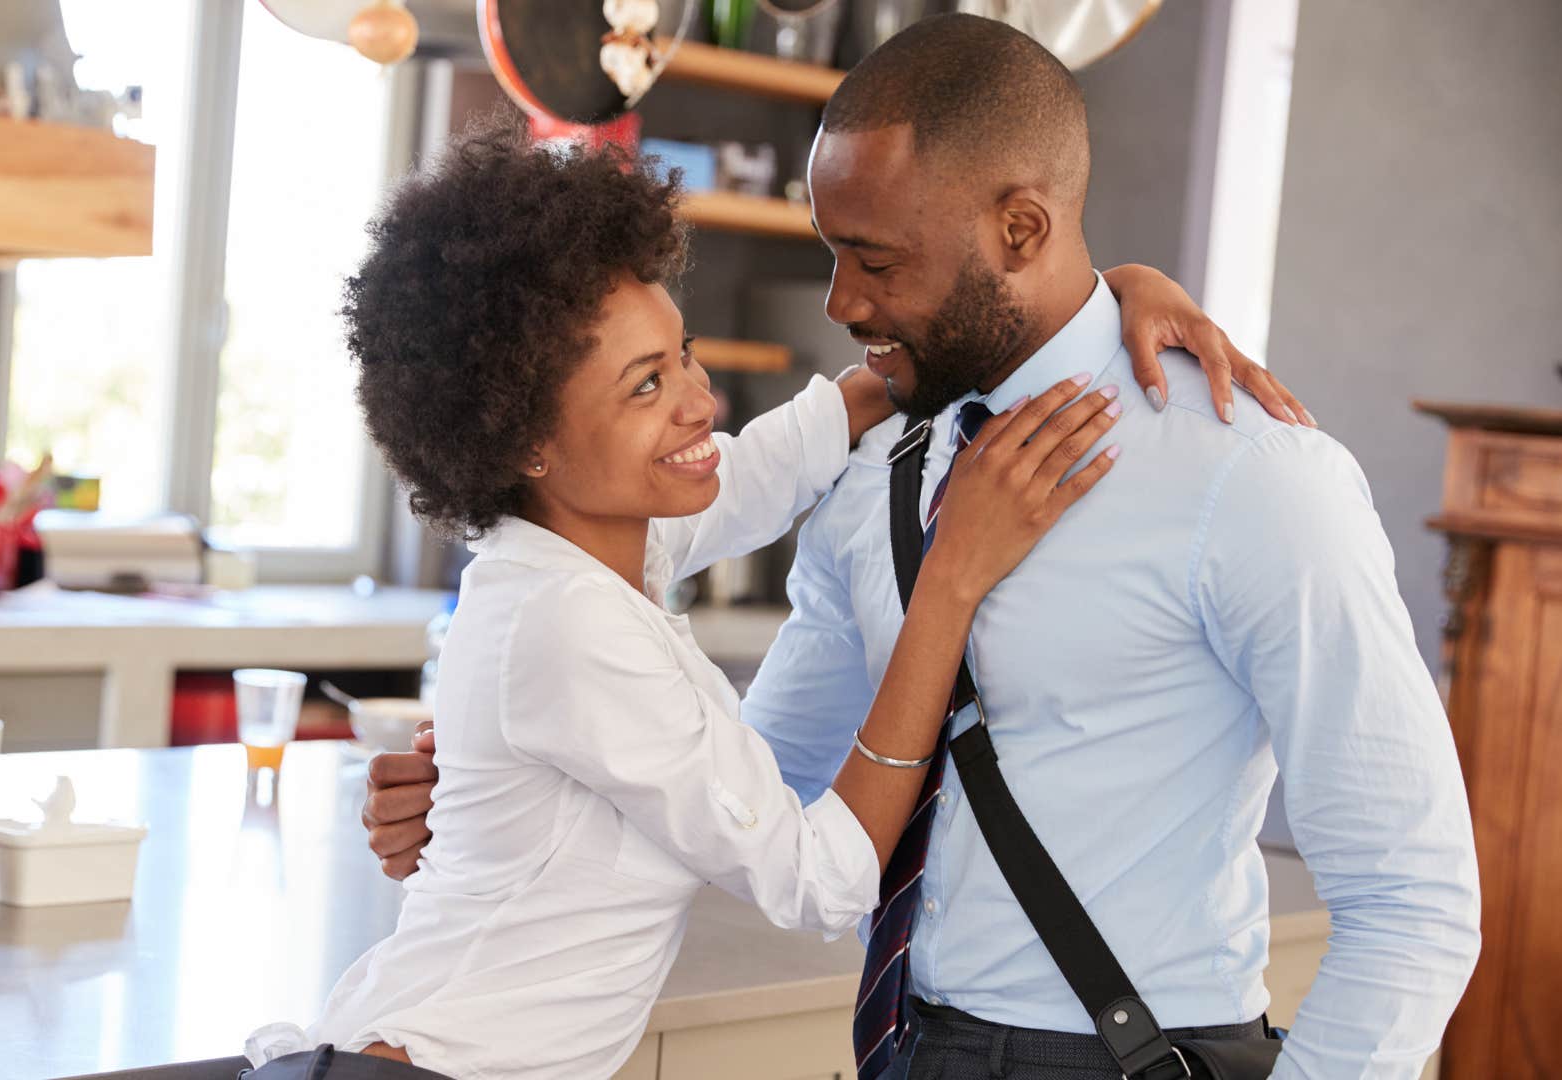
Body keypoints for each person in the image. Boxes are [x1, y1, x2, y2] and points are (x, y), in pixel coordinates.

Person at [364, 16, 1481, 1080]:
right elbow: (759, 786)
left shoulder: (1250, 477)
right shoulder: (877, 466)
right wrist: (509, 790)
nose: (842, 300)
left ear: (1021, 230)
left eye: (876, 259)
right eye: (831, 251)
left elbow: (1415, 899)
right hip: (905, 1044)